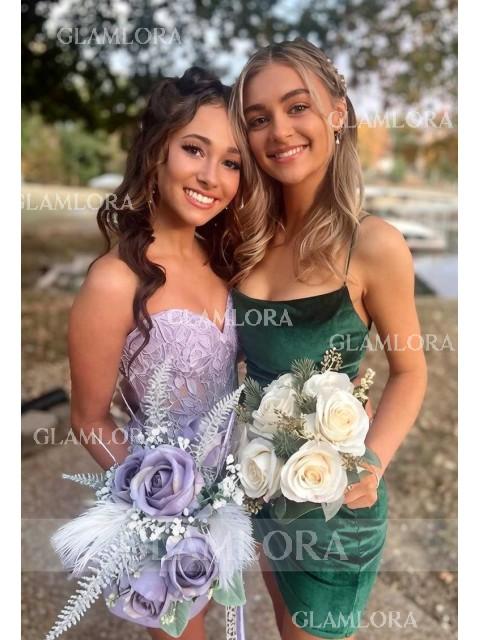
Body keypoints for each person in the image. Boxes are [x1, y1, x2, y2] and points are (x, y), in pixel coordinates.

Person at [229, 39, 427, 639]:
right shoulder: (242, 240)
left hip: (334, 506)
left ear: (337, 113)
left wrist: (372, 463)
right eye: (258, 119)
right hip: (262, 490)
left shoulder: (374, 244)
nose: (279, 131)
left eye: (297, 107)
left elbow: (411, 372)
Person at [68, 67, 244, 640]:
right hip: (164, 522)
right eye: (194, 149)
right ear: (157, 152)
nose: (210, 176)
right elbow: (88, 418)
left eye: (231, 162)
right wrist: (163, 507)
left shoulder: (227, 263)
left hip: (229, 507)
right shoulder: (114, 281)